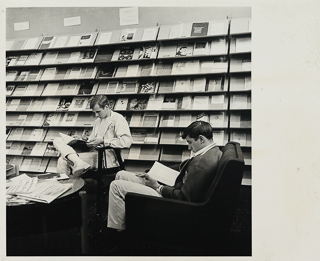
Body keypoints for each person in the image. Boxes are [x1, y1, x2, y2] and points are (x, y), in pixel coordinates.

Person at [107, 121, 222, 231]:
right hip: (171, 187)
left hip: (169, 199)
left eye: (190, 142)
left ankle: (119, 230)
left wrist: (157, 187)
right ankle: (125, 219)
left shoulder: (201, 163)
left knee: (116, 186)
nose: (189, 147)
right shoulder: (212, 152)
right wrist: (152, 173)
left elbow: (182, 198)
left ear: (201, 139)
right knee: (120, 174)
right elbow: (182, 167)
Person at [53, 95, 133, 177]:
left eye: (98, 112)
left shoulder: (118, 119)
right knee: (57, 140)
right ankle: (78, 162)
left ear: (107, 106)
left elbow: (127, 141)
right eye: (94, 112)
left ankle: (66, 186)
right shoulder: (98, 121)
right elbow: (92, 140)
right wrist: (82, 139)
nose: (96, 115)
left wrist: (103, 141)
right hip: (92, 152)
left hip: (105, 157)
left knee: (63, 160)